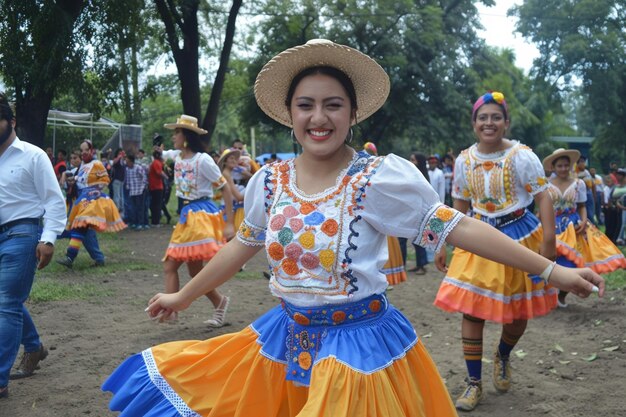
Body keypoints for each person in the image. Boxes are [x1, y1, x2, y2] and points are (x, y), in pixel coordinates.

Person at [102, 40, 604, 417]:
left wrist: (551, 271)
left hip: (360, 344)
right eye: (306, 105)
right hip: (284, 338)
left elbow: (458, 229)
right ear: (289, 114)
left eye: (333, 104)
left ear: (354, 112)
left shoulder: (378, 178)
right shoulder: (268, 182)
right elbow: (242, 245)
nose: (318, 117)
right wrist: (184, 296)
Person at [433, 91, 562, 411]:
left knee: (518, 313)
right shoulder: (464, 160)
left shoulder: (522, 156)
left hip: (520, 234)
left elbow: (543, 196)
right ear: (474, 123)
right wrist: (442, 241)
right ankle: (473, 382)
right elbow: (458, 205)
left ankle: (503, 354)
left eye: (495, 117)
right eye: (482, 117)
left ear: (506, 122)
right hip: (477, 237)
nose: (488, 123)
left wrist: (549, 242)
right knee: (472, 310)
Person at [0, 93, 66, 399]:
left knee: (5, 303)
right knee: (7, 300)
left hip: (23, 233)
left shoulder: (32, 155)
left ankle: (0, 380)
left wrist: (48, 238)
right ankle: (35, 346)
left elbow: (54, 200)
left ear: (11, 122)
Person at [158, 115, 235, 326]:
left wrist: (229, 222)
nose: (174, 136)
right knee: (193, 270)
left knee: (170, 264)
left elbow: (224, 187)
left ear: (186, 136)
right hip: (186, 215)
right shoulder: (179, 158)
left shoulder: (203, 160)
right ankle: (219, 302)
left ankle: (171, 310)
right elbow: (164, 154)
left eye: (177, 132)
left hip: (200, 215)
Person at [542, 149, 626, 307]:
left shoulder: (578, 184)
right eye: (559, 165)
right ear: (553, 167)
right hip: (551, 224)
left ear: (570, 166)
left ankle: (561, 296)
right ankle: (549, 295)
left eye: (566, 165)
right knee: (548, 260)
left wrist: (584, 219)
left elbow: (582, 206)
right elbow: (542, 207)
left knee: (571, 263)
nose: (563, 169)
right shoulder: (545, 185)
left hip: (572, 227)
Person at [56, 140, 126, 268]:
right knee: (82, 230)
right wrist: (72, 181)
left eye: (85, 150)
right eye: (81, 150)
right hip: (82, 202)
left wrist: (93, 190)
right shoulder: (82, 166)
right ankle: (95, 258)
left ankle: (70, 257)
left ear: (91, 150)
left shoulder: (97, 164)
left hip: (93, 202)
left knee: (79, 226)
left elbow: (105, 181)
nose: (83, 152)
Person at [58, 149, 106, 267]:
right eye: (72, 158)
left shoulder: (88, 171)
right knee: (83, 233)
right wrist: (65, 176)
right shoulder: (73, 172)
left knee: (81, 233)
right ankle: (97, 258)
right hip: (76, 207)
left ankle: (72, 258)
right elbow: (63, 185)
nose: (73, 160)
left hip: (86, 207)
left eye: (76, 158)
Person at [148, 150, 167, 227]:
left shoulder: (156, 162)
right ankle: (156, 222)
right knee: (157, 204)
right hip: (157, 186)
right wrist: (166, 177)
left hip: (154, 186)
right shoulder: (156, 163)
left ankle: (154, 220)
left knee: (155, 204)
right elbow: (159, 172)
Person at [575, 156, 596, 224]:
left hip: (588, 194)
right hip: (579, 195)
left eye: (584, 162)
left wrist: (594, 196)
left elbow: (593, 185)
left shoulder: (587, 172)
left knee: (590, 214)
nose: (583, 163)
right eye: (581, 162)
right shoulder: (574, 173)